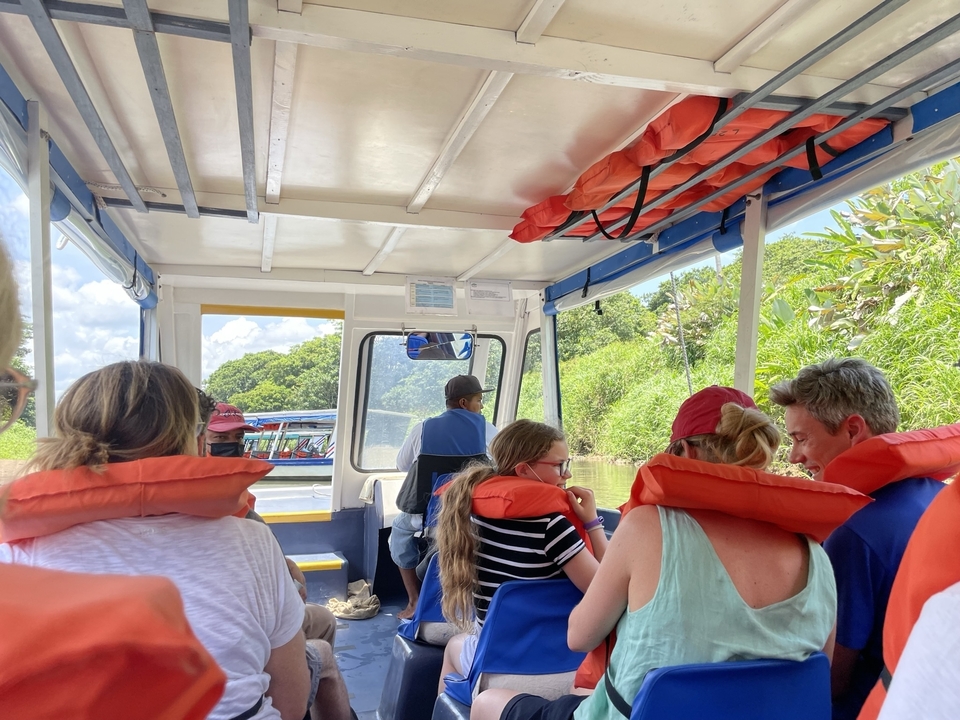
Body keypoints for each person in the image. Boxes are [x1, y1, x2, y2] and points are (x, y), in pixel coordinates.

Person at [471, 386, 837, 720]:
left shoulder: (647, 527)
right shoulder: (816, 553)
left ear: (686, 453)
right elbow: (823, 671)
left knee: (487, 702)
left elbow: (579, 638)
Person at [1, 361, 310, 720]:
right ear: (195, 442)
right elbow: (291, 702)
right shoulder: (252, 540)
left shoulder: (17, 553)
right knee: (320, 654)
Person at [0, 242, 224, 720]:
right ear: (186, 440)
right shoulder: (244, 538)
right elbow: (287, 695)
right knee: (320, 649)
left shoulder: (18, 547)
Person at [770, 358, 943, 720]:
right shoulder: (940, 499)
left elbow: (833, 679)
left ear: (852, 430)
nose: (794, 457)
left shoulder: (853, 533)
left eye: (801, 438)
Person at [436, 419, 608, 696]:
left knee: (454, 647)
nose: (567, 474)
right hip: (567, 668)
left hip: (496, 667)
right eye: (559, 465)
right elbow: (607, 593)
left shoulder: (469, 519)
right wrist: (592, 523)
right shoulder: (552, 527)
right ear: (524, 469)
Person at [391, 374, 499, 620]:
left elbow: (402, 465)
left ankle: (414, 601)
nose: (481, 406)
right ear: (464, 403)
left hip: (427, 515)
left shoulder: (422, 428)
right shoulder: (488, 430)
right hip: (473, 513)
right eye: (479, 400)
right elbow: (501, 467)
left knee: (398, 533)